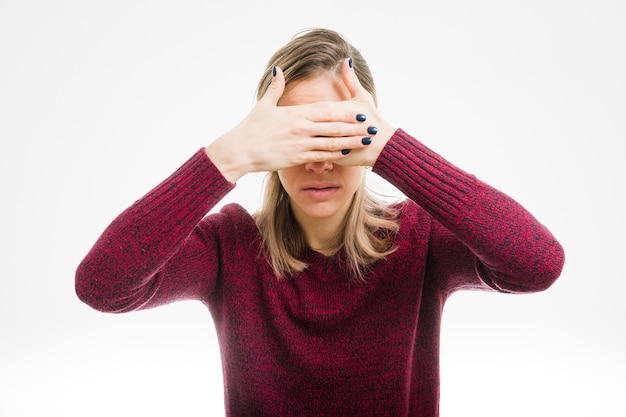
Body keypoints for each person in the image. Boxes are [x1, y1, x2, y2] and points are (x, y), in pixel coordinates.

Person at [75, 28, 565, 416]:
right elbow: (103, 286)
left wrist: (396, 149)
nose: (320, 162)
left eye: (341, 136)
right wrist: (225, 159)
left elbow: (536, 265)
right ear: (266, 144)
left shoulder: (418, 239)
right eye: (299, 137)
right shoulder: (230, 245)